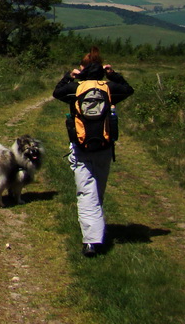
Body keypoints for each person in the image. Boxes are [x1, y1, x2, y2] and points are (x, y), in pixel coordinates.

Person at [52, 46, 134, 257]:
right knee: (97, 190)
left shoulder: (75, 89)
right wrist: (112, 74)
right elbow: (127, 89)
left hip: (81, 147)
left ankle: (91, 241)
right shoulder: (109, 88)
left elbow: (56, 92)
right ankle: (95, 234)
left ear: (83, 69)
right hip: (104, 148)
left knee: (86, 192)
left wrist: (68, 77)